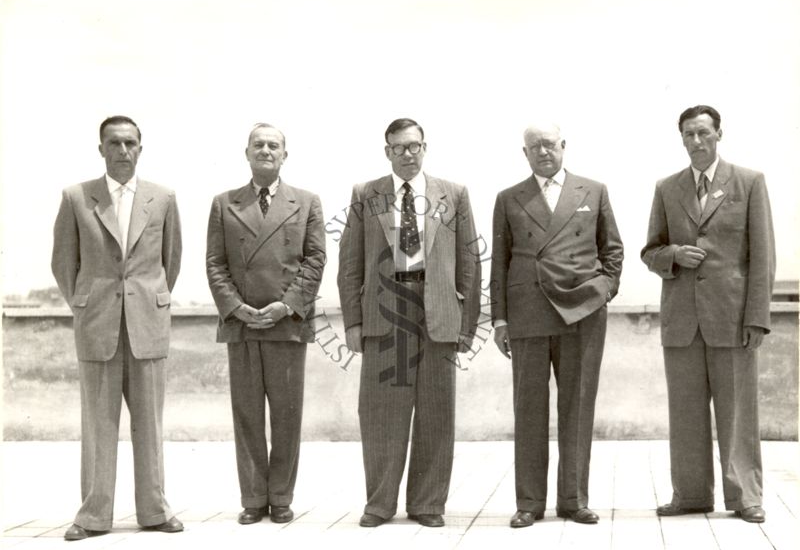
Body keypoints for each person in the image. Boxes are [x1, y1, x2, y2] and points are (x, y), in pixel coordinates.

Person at [337, 118, 481, 528]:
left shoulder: (452, 194)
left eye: (414, 146)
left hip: (437, 314)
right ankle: (379, 504)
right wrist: (352, 322)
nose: (407, 154)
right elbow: (350, 262)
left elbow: (469, 262)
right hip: (385, 316)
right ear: (387, 152)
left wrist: (467, 325)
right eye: (399, 147)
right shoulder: (367, 195)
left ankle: (428, 504)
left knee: (436, 414)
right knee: (382, 413)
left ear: (424, 148)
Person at [641, 105, 775, 523]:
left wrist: (756, 318)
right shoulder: (667, 188)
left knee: (738, 413)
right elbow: (650, 251)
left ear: (719, 134)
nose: (696, 142)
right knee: (685, 413)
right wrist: (674, 255)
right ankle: (691, 494)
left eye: (703, 133)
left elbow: (763, 256)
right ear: (681, 139)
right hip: (682, 322)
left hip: (733, 320)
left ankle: (746, 496)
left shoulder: (749, 183)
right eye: (688, 135)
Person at [52, 115, 183, 540]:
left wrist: (148, 300)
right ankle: (93, 515)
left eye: (130, 143)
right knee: (97, 424)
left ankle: (155, 510)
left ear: (141, 148)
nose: (122, 151)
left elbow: (171, 260)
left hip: (147, 324)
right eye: (114, 143)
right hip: (97, 327)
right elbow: (62, 262)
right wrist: (87, 303)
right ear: (101, 149)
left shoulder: (162, 197)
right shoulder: (77, 198)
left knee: (150, 424)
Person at [490, 121, 623, 528]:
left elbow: (612, 249)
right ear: (525, 154)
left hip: (581, 313)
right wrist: (499, 318)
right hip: (528, 313)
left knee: (578, 407)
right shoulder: (509, 198)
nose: (543, 152)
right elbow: (499, 261)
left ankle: (574, 500)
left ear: (564, 146)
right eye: (535, 147)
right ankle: (529, 502)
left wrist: (603, 291)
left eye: (549, 144)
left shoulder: (593, 190)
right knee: (529, 411)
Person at [206, 123, 325, 525]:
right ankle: (253, 499)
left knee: (287, 415)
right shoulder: (224, 203)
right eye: (258, 144)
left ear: (284, 155)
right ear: (246, 153)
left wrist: (287, 305)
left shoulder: (306, 202)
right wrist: (236, 307)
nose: (266, 150)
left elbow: (315, 260)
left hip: (285, 324)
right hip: (241, 325)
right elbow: (215, 262)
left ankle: (282, 497)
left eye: (274, 145)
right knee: (247, 415)